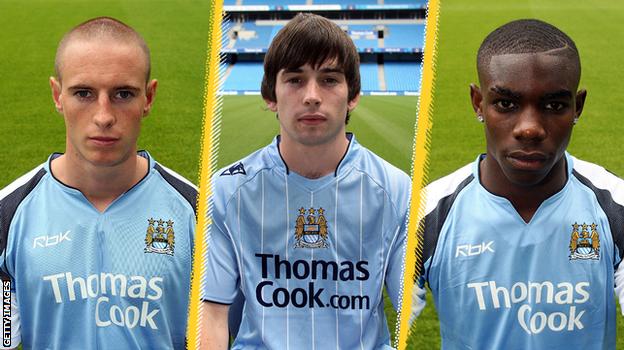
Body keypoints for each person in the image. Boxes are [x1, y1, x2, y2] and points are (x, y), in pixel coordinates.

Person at [202, 13, 411, 349]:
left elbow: (409, 309)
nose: (312, 96)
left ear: (353, 95)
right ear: (271, 95)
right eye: (296, 80)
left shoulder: (397, 191)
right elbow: (211, 313)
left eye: (329, 80)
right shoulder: (226, 191)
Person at [411, 19, 624, 349]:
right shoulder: (428, 214)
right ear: (478, 103)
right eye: (506, 104)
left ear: (577, 107)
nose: (529, 128)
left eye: (554, 105)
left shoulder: (615, 206)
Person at [0, 17, 197, 349]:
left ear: (148, 98)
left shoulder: (196, 213)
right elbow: (4, 336)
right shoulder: (8, 218)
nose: (103, 116)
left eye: (123, 93)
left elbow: (209, 334)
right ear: (57, 95)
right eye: (84, 93)